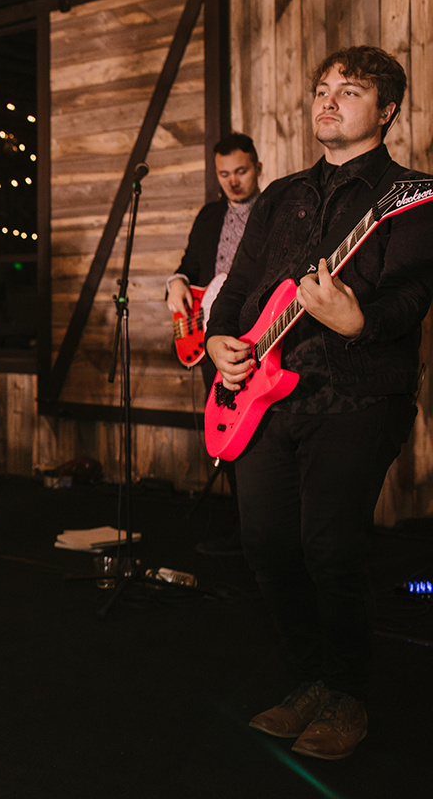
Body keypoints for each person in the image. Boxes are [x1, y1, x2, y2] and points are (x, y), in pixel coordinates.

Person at [205, 45, 433, 761]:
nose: (327, 101)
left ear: (387, 110)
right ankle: (306, 678)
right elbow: (240, 289)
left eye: (351, 91)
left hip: (358, 395)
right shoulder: (279, 198)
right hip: (264, 395)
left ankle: (347, 694)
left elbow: (413, 294)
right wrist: (219, 341)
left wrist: (359, 321)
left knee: (328, 547)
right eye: (322, 89)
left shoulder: (411, 194)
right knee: (265, 545)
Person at [166, 132, 264, 556]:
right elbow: (188, 266)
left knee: (262, 436)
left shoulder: (275, 211)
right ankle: (244, 531)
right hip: (211, 341)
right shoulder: (209, 216)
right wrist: (176, 283)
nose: (233, 182)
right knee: (226, 435)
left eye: (240, 171)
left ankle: (265, 533)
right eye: (224, 174)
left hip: (258, 339)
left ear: (257, 166)